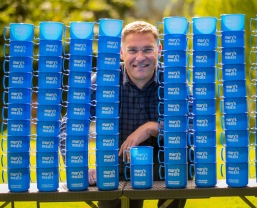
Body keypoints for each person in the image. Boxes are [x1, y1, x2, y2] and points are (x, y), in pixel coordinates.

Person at [60, 21, 192, 208]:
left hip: (164, 167)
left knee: (181, 160)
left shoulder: (174, 81)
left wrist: (152, 128)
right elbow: (68, 125)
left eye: (147, 49)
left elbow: (195, 129)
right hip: (115, 168)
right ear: (121, 52)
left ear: (159, 50)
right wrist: (78, 166)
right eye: (132, 50)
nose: (140, 57)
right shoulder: (104, 80)